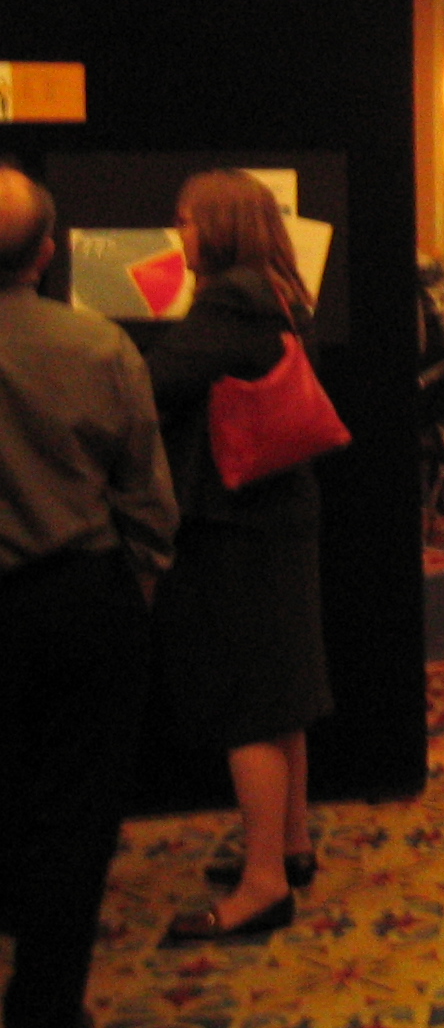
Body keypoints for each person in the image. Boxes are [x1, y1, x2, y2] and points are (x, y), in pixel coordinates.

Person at [0, 170, 179, 1028]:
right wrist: (134, 587)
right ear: (45, 254)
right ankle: (44, 1005)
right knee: (74, 818)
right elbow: (148, 500)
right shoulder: (98, 348)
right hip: (78, 603)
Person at [147, 170, 332, 942]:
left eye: (188, 221)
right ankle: (289, 846)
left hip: (235, 524)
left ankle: (262, 887)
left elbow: (148, 385)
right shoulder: (279, 293)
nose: (179, 234)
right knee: (280, 693)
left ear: (220, 228)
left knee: (246, 705)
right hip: (277, 512)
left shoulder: (226, 305)